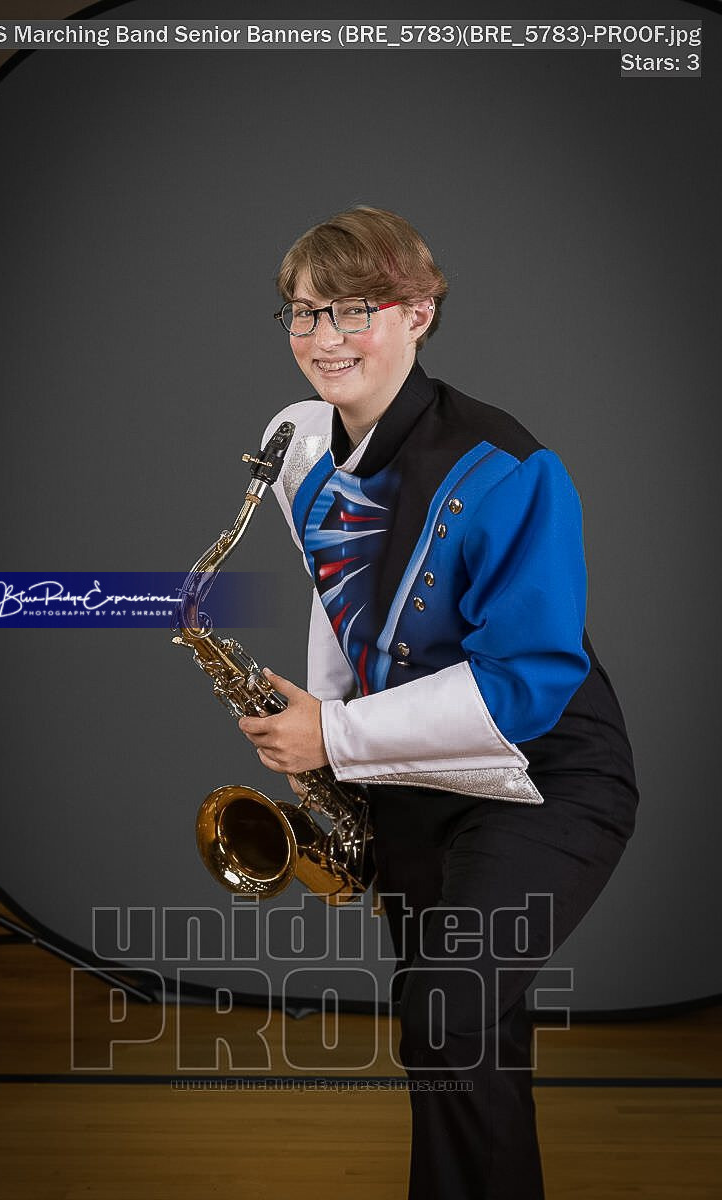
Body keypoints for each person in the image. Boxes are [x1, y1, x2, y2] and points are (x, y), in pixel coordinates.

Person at [238, 206, 638, 1200]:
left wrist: (335, 733)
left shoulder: (508, 470)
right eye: (303, 313)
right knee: (456, 1041)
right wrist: (330, 753)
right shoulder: (296, 442)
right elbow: (339, 593)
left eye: (353, 311)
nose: (323, 339)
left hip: (542, 776)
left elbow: (526, 682)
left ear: (418, 314)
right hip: (410, 776)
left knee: (449, 1012)